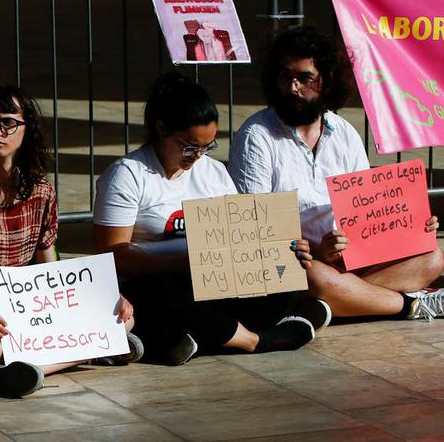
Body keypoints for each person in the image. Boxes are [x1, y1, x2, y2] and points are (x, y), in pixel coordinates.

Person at [93, 73, 327, 364]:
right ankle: (254, 340)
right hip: (153, 281)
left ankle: (186, 339)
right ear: (162, 128)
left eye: (208, 146)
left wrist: (285, 250)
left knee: (284, 279)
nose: (198, 156)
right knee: (167, 298)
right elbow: (111, 254)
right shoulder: (128, 175)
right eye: (189, 146)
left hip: (211, 283)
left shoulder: (214, 173)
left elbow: (242, 235)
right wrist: (187, 263)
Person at [0, 85, 137, 398]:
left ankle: (24, 370)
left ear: (28, 129)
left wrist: (99, 298)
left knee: (125, 319)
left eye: (8, 122)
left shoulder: (40, 192)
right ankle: (87, 353)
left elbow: (51, 276)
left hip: (27, 306)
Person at [230, 25, 444, 320]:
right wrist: (319, 251)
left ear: (326, 83)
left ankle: (334, 302)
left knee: (433, 258)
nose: (292, 87)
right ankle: (410, 305)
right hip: (300, 261)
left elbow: (369, 207)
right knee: (316, 276)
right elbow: (253, 223)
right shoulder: (257, 135)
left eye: (305, 78)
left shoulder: (343, 132)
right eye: (285, 77)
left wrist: (411, 226)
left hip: (353, 257)